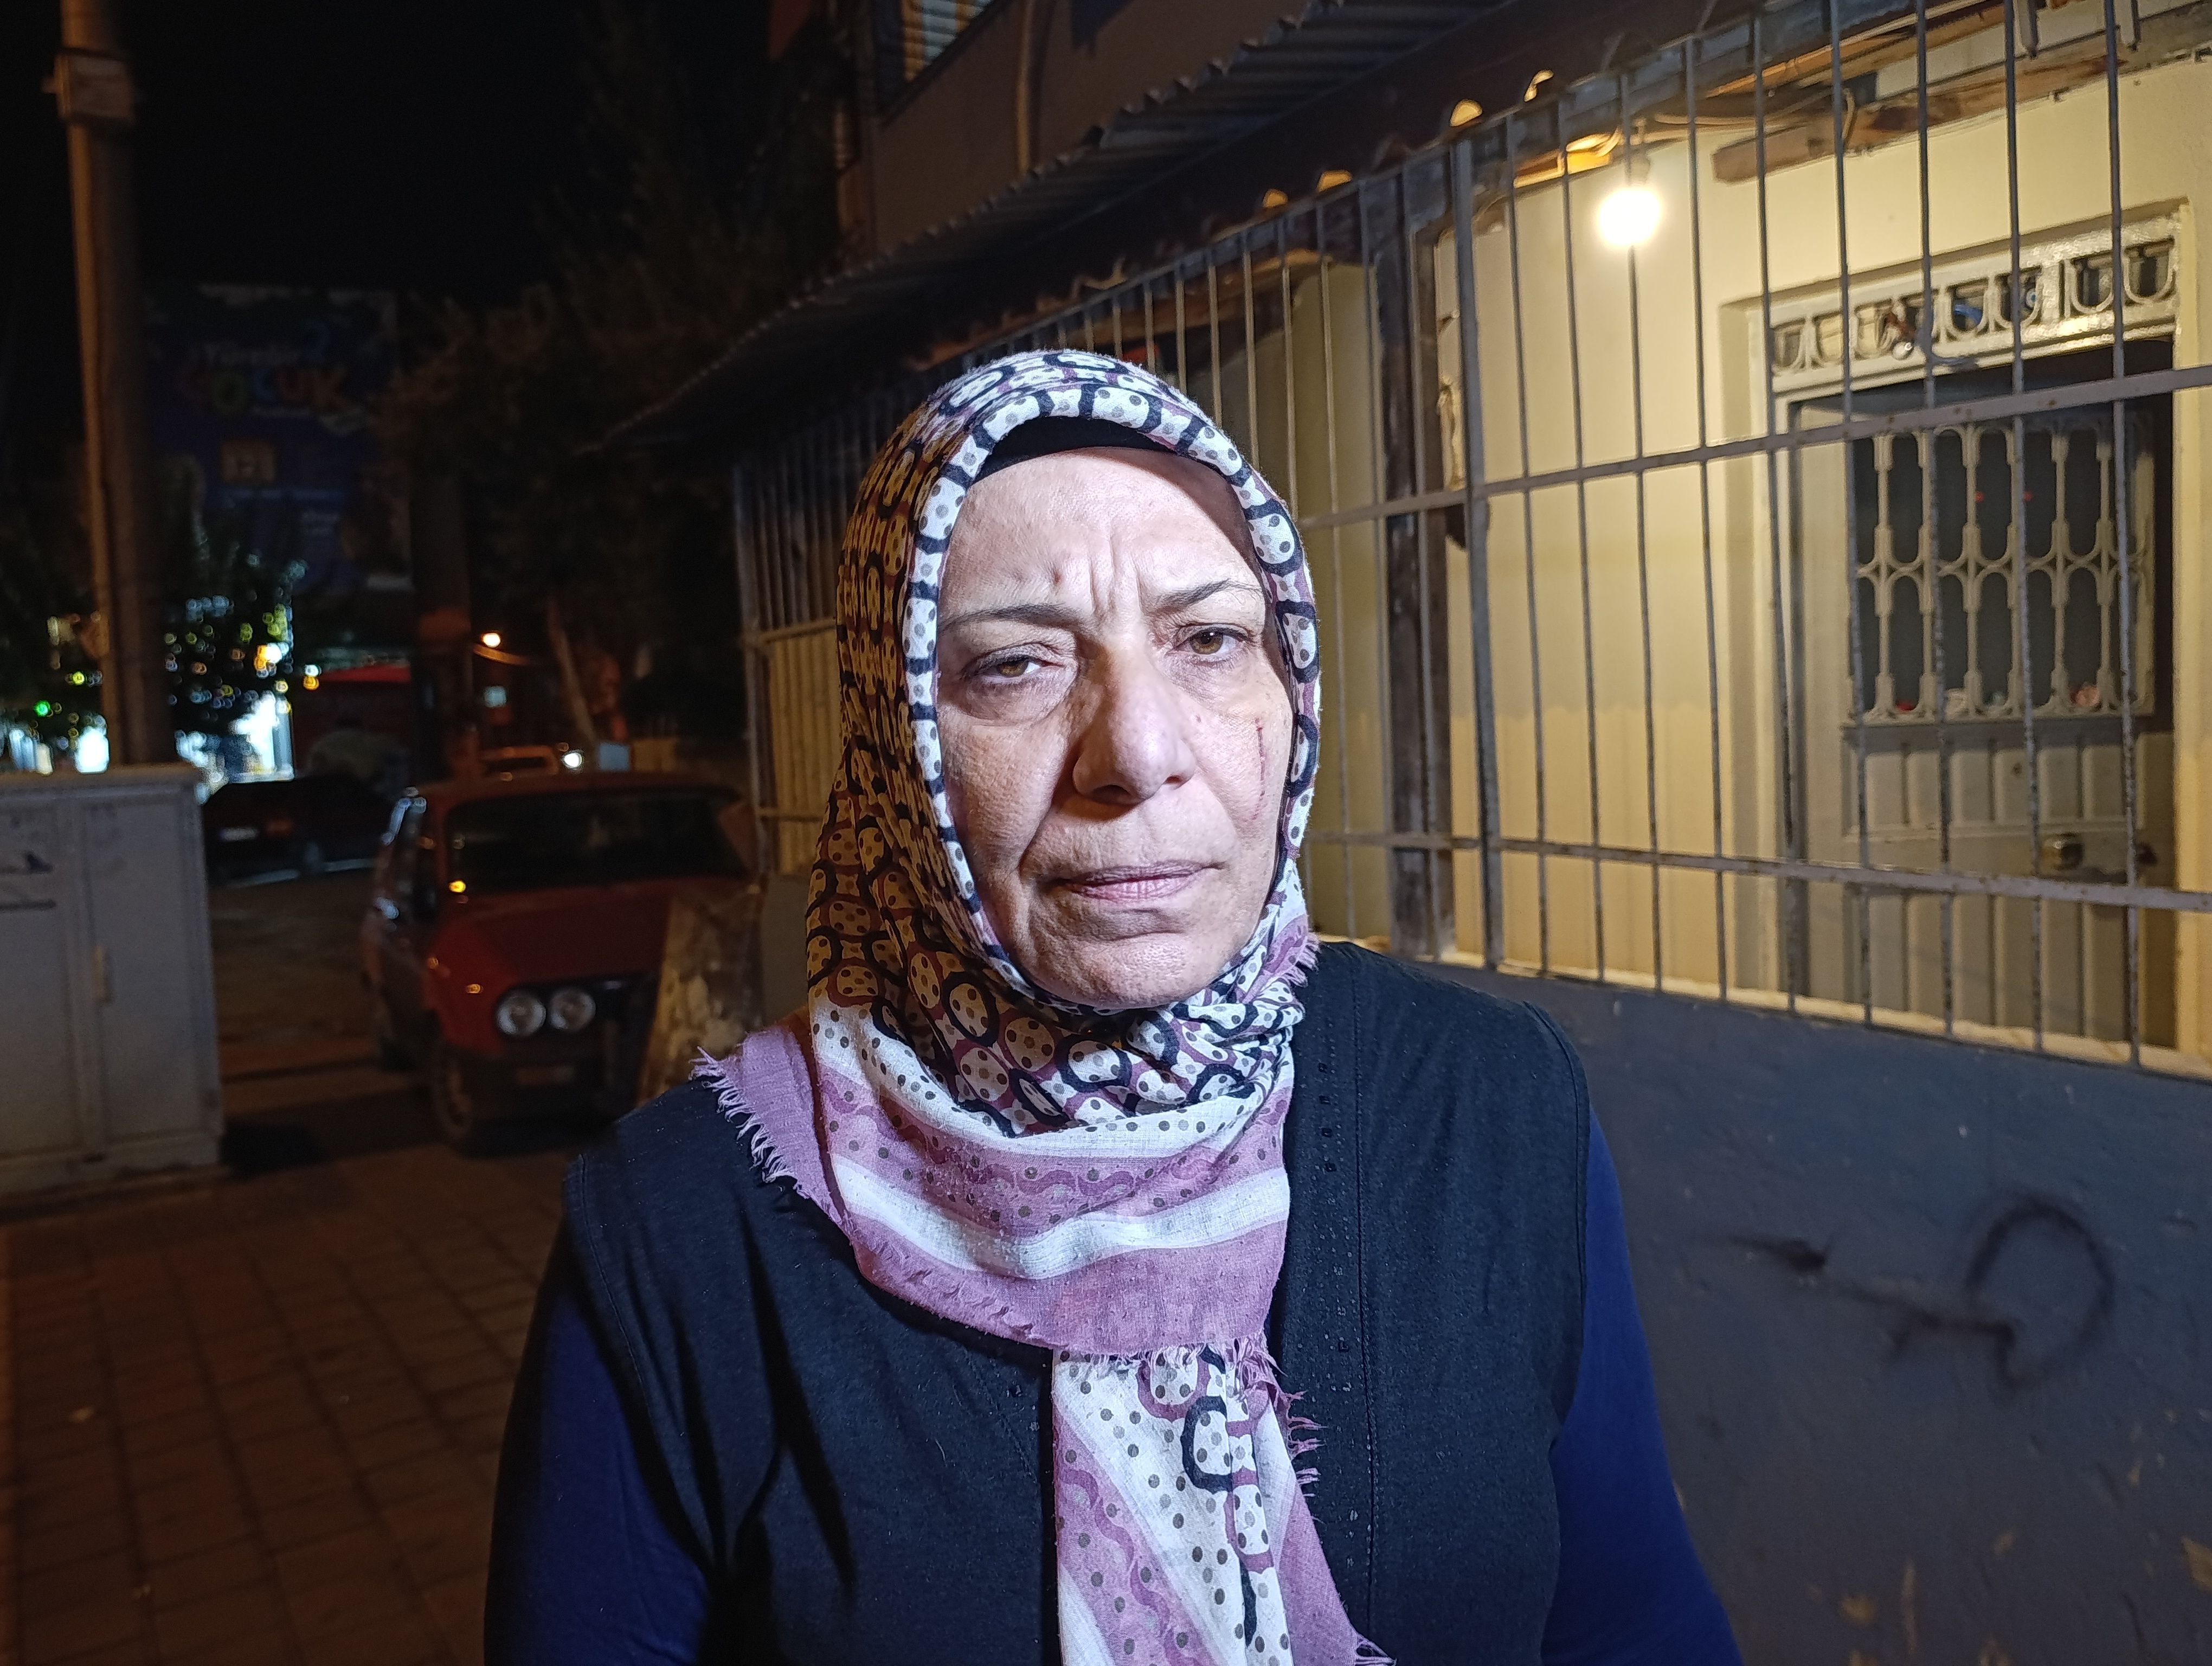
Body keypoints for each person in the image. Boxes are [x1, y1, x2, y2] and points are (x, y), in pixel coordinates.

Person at [486, 351, 1742, 1664]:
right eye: (1015, 666)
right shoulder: (683, 1228)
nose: (1137, 752)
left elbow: (1634, 1623)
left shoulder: (1492, 1106)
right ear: (895, 743)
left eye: (1211, 640)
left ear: (1292, 690)